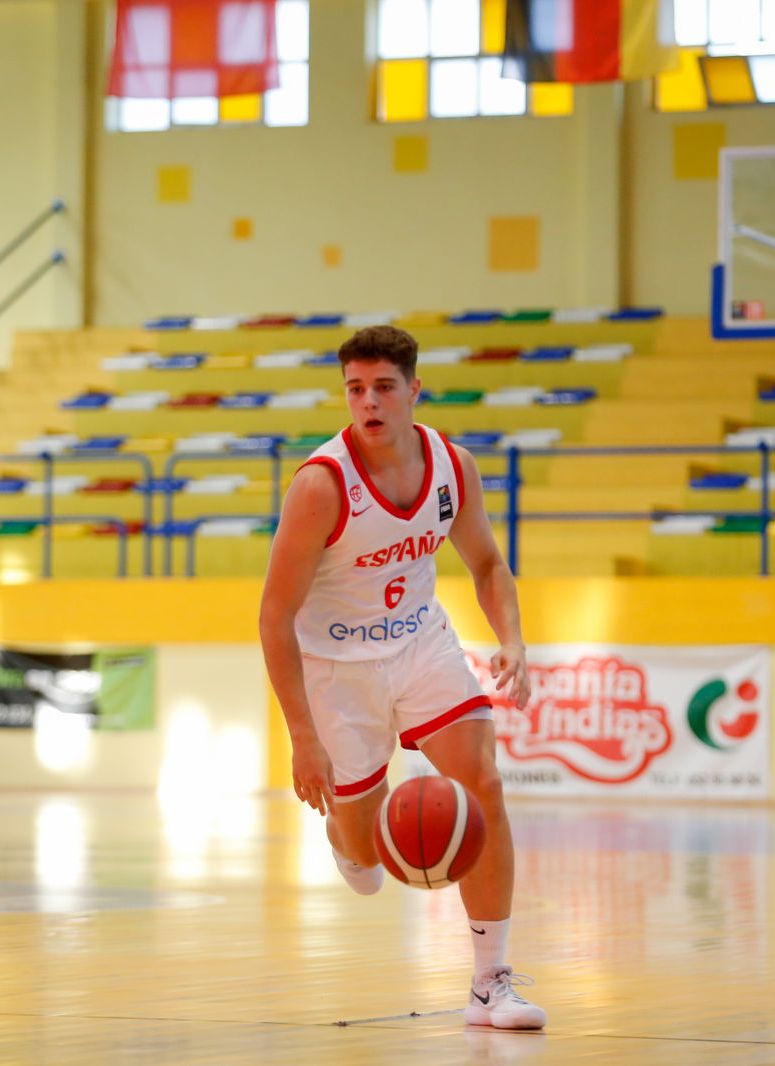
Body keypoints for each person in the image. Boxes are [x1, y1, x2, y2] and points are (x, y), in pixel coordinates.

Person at [259, 324, 545, 1030]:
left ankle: (490, 983)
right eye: (355, 389)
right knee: (368, 858)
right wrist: (302, 736)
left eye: (384, 387)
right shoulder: (321, 487)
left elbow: (487, 564)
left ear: (415, 390)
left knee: (483, 781)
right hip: (336, 670)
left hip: (419, 643)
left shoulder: (453, 467)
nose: (369, 403)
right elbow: (273, 615)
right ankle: (343, 837)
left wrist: (512, 638)